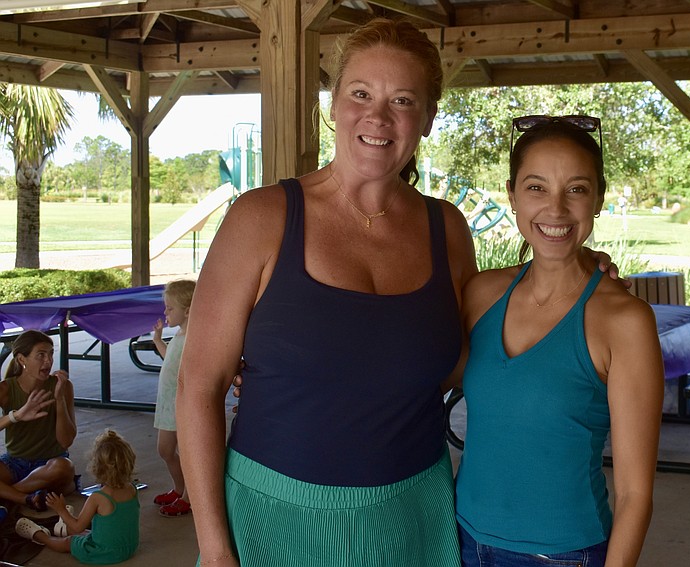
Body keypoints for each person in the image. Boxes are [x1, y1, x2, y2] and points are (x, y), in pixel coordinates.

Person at [178, 17, 620, 567]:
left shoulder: (447, 230)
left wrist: (574, 270)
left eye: (403, 100)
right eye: (360, 93)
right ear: (334, 103)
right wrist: (215, 548)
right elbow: (198, 387)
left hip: (415, 516)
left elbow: (467, 354)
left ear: (428, 118)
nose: (377, 117)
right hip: (273, 517)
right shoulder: (262, 218)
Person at [454, 116, 664, 567]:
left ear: (598, 199)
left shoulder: (625, 321)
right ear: (511, 196)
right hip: (462, 539)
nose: (555, 209)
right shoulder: (481, 293)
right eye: (536, 188)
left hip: (562, 555)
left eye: (576, 189)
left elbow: (634, 493)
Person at [15, 429, 140, 565]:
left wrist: (60, 509)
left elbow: (77, 527)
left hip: (106, 552)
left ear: (97, 468)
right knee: (87, 534)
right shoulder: (131, 488)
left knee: (69, 541)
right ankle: (62, 528)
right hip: (128, 547)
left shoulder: (99, 497)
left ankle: (39, 536)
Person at [0, 330, 76, 514]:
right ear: (22, 359)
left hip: (50, 464)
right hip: (14, 462)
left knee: (63, 467)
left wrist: (59, 400)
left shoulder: (62, 386)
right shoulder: (6, 388)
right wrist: (16, 415)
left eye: (50, 354)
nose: (48, 361)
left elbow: (66, 441)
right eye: (40, 355)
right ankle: (27, 498)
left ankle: (8, 495)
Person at [151, 279, 195, 517]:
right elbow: (172, 361)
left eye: (170, 308)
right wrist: (158, 340)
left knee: (188, 452)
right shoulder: (179, 334)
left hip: (183, 405)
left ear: (187, 311)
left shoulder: (194, 338)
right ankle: (179, 488)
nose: (165, 313)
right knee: (165, 449)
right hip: (168, 404)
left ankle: (189, 495)